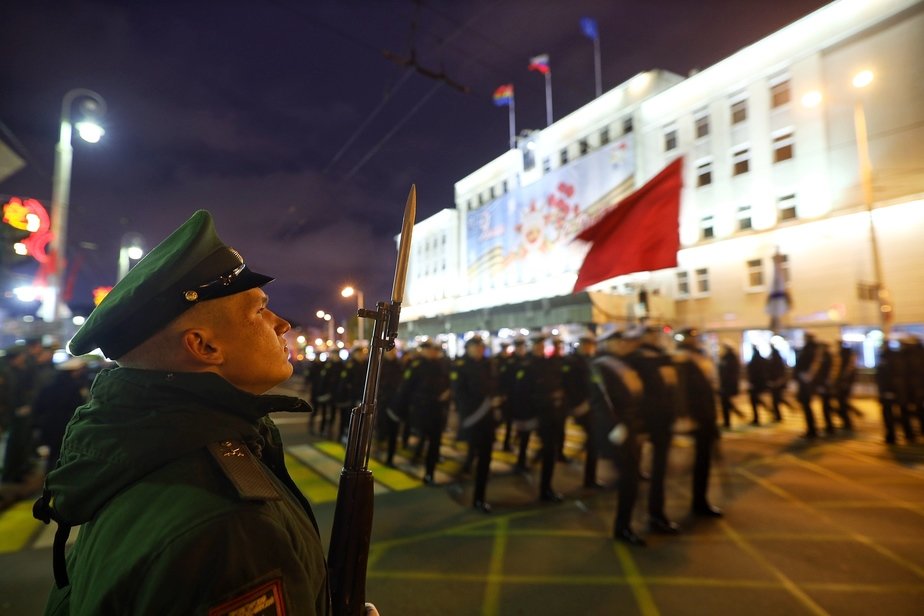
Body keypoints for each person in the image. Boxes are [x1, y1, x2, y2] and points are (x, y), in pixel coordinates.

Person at [31, 210, 374, 615]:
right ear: (204, 346)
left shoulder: (135, 448)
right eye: (259, 311)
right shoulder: (231, 528)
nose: (281, 324)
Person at [589, 330, 645, 545]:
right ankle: (623, 527)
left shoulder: (624, 363)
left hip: (630, 427)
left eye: (621, 340)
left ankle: (624, 524)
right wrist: (614, 427)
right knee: (628, 479)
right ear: (605, 343)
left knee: (631, 478)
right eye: (616, 341)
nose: (621, 344)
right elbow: (600, 400)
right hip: (616, 430)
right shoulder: (600, 366)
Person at [624, 325, 680, 534]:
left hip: (663, 421)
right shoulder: (635, 359)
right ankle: (627, 523)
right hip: (645, 422)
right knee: (632, 474)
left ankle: (657, 514)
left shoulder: (663, 357)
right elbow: (633, 393)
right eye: (652, 334)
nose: (656, 337)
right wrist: (638, 424)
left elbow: (672, 388)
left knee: (659, 472)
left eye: (657, 333)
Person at [673, 329, 723, 518]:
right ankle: (698, 501)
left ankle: (700, 500)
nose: (694, 340)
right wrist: (685, 416)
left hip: (707, 415)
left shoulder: (700, 355)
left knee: (704, 460)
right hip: (696, 416)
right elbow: (681, 391)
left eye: (695, 337)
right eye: (690, 337)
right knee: (699, 461)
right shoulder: (681, 358)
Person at [450, 336, 500, 513]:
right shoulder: (461, 366)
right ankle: (466, 486)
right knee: (474, 453)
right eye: (475, 347)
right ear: (468, 348)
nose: (479, 349)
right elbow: (459, 394)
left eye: (481, 347)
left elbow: (495, 385)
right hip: (472, 418)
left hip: (488, 419)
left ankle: (480, 497)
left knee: (485, 457)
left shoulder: (489, 364)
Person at [394, 339, 450, 484]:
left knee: (435, 440)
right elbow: (406, 388)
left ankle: (429, 473)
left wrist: (447, 394)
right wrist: (401, 408)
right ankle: (416, 456)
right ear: (424, 350)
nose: (434, 352)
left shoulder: (440, 365)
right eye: (431, 349)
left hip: (437, 407)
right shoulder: (416, 365)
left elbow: (447, 382)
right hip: (422, 407)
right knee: (424, 435)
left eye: (435, 349)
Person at [31, 357, 90, 473]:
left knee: (51, 455)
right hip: (65, 427)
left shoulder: (49, 387)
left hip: (49, 426)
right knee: (61, 456)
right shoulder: (74, 389)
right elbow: (77, 408)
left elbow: (38, 407)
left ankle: (48, 478)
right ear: (72, 372)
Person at [564, 333, 601, 489]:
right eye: (585, 344)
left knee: (594, 441)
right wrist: (576, 405)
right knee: (593, 440)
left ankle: (590, 478)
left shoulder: (591, 361)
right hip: (582, 406)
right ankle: (589, 480)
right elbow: (569, 387)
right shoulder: (572, 362)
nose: (588, 347)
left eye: (590, 344)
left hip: (592, 406)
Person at [718, 343, 744, 428]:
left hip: (727, 384)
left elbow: (729, 373)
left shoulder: (730, 359)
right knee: (725, 402)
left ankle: (729, 420)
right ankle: (731, 418)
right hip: (726, 384)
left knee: (725, 402)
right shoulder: (726, 358)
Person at [746, 344, 769, 425]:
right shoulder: (760, 359)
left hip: (756, 383)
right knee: (756, 399)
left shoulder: (755, 360)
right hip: (758, 383)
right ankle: (759, 415)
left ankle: (757, 418)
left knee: (754, 400)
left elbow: (754, 372)